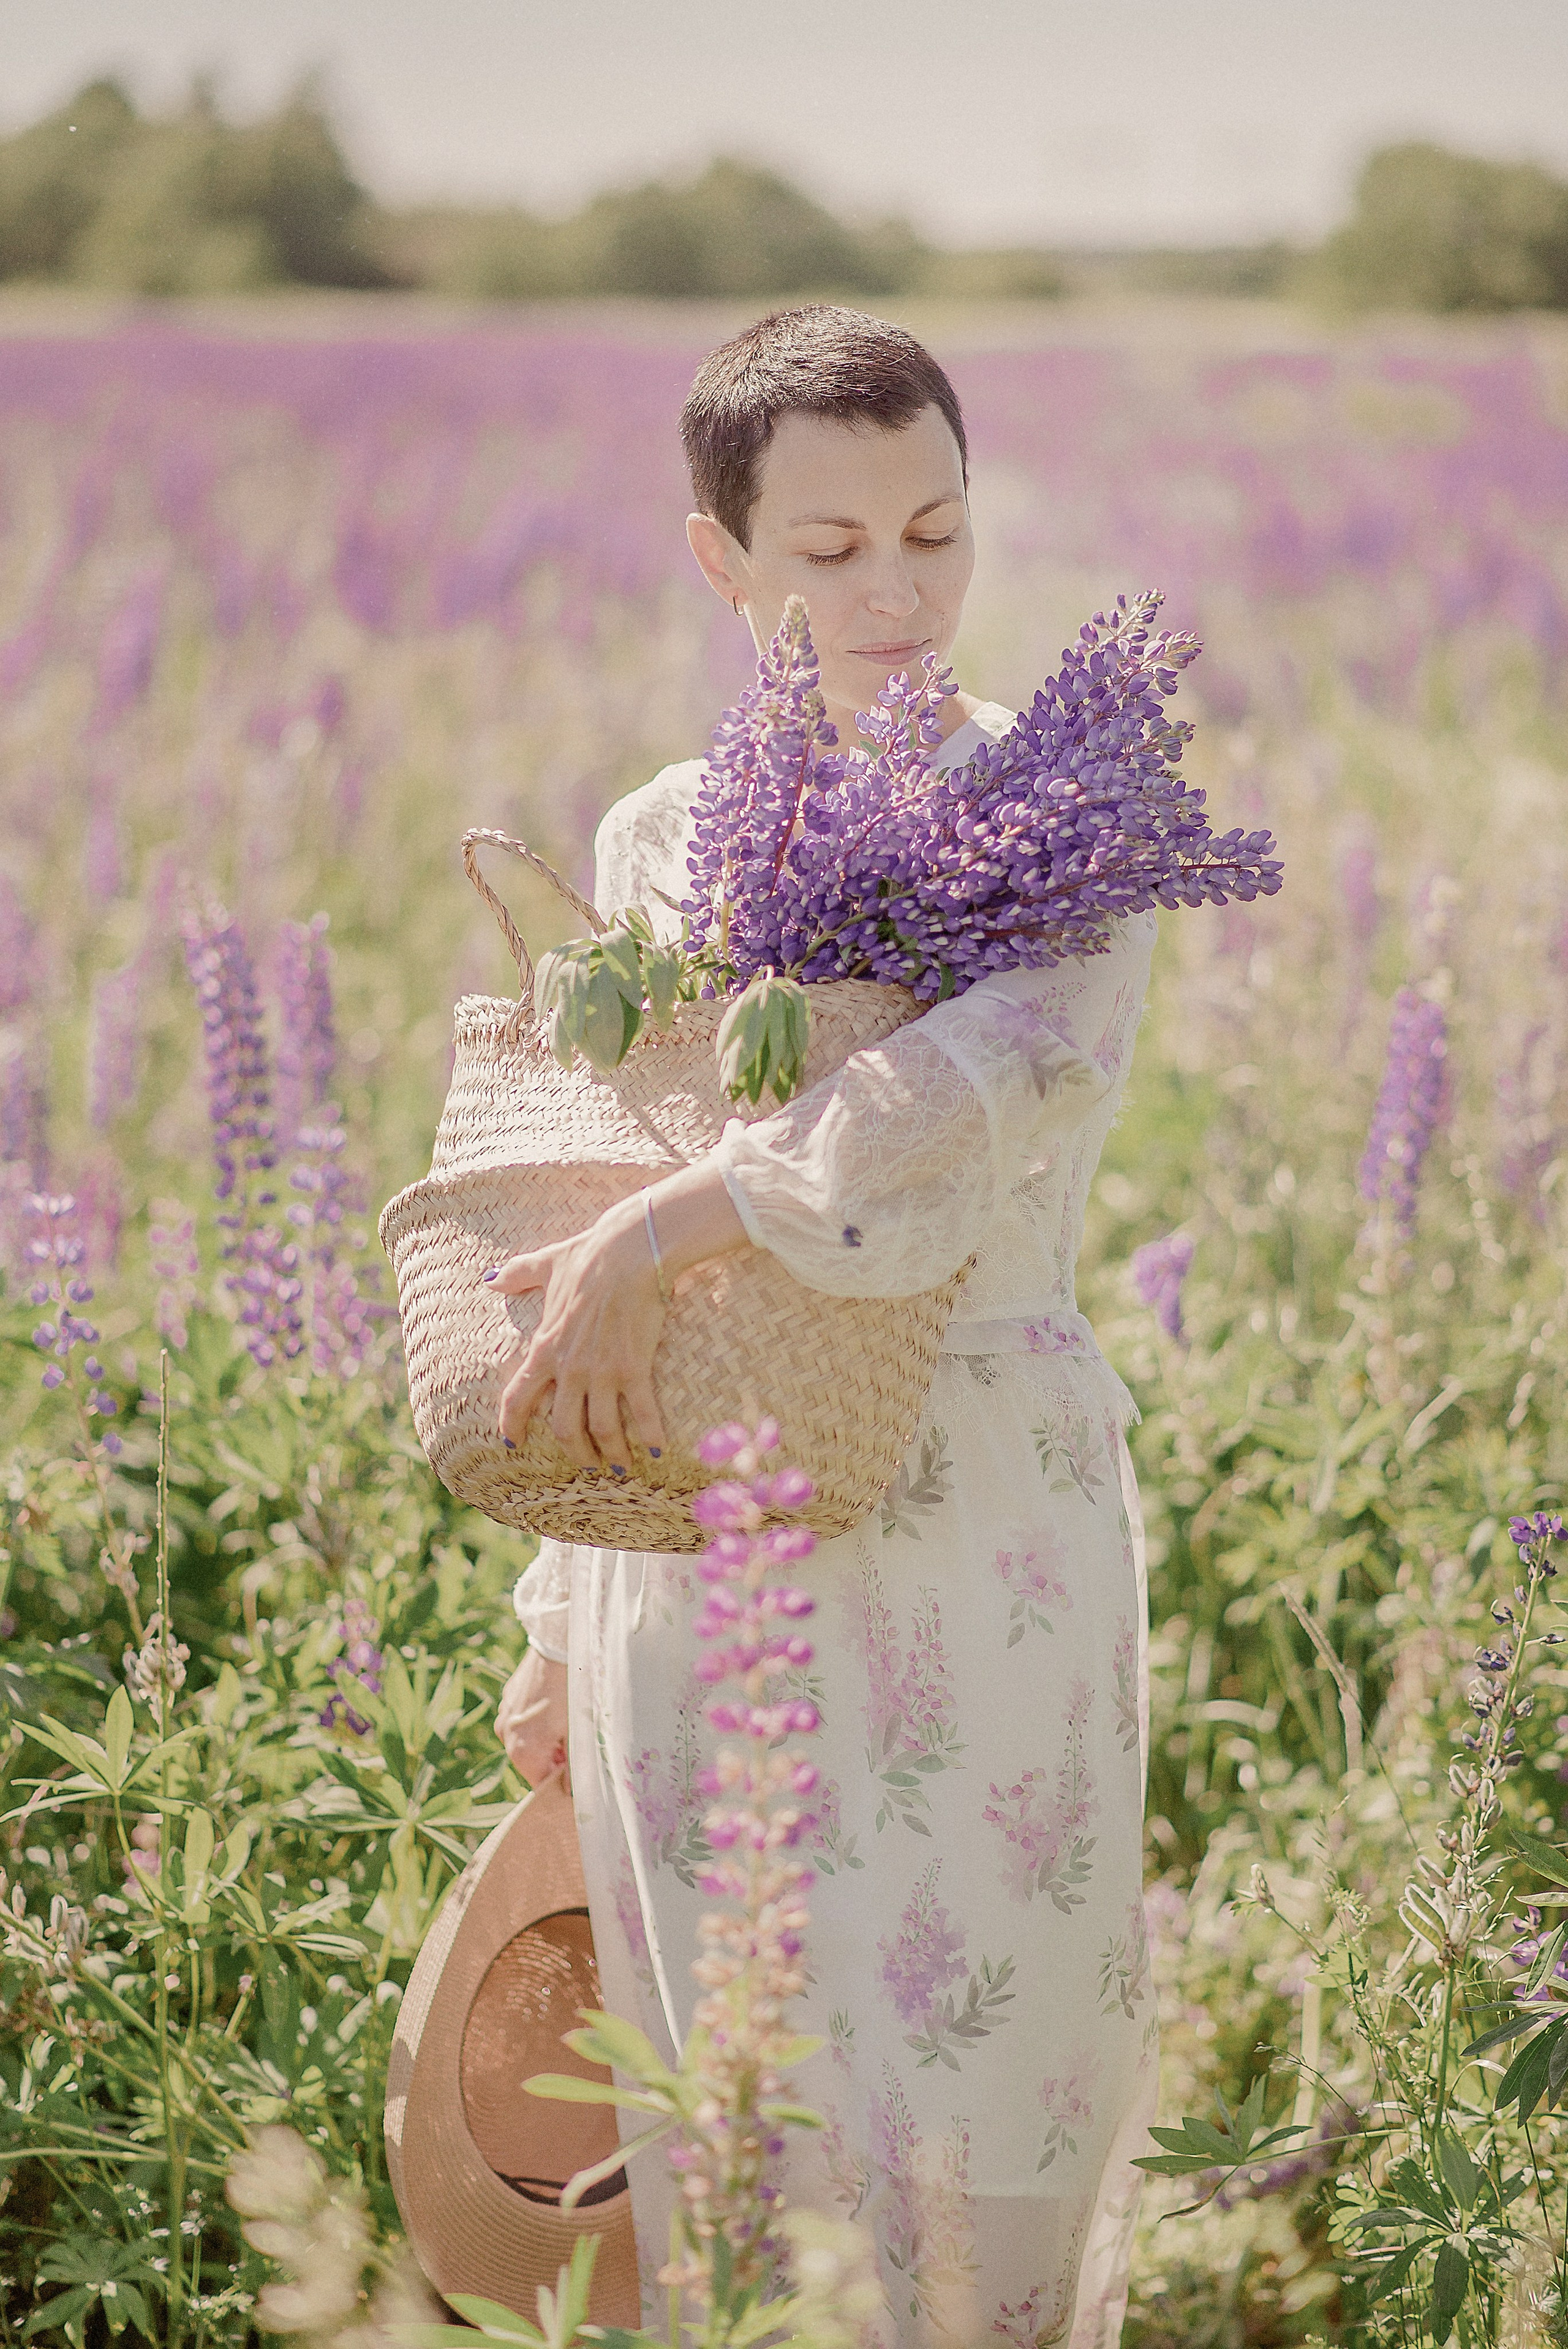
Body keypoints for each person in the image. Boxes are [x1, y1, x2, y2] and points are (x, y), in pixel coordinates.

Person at [489, 306, 1157, 2349]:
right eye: (834, 547)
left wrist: (670, 1228)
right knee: (744, 2096)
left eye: (939, 533)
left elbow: (961, 1113)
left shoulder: (1072, 814)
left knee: (988, 2079)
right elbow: (589, 1227)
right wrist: (543, 1611)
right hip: (709, 1527)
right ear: (723, 557)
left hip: (980, 1515)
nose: (902, 592)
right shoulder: (649, 838)